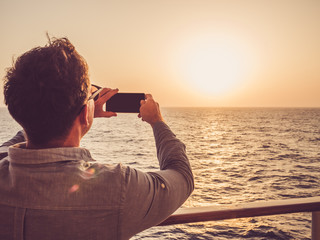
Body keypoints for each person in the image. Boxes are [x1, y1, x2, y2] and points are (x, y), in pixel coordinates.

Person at [0, 37, 194, 240]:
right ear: (85, 113)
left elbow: (33, 125)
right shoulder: (119, 187)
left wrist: (79, 114)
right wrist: (157, 121)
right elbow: (182, 176)